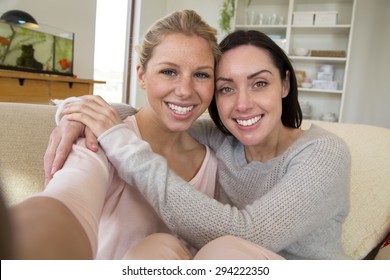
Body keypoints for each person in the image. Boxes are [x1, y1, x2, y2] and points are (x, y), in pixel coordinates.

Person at [47, 30, 351, 259]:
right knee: (155, 248)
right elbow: (154, 119)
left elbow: (250, 234)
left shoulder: (323, 152)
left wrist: (117, 138)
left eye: (260, 83)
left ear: (284, 84)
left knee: (225, 251)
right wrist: (80, 113)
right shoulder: (224, 140)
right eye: (227, 88)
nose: (242, 104)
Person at [8, 10, 224, 260]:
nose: (185, 90)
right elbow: (68, 197)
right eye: (169, 71)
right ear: (142, 75)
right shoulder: (96, 137)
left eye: (201, 74)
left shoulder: (216, 161)